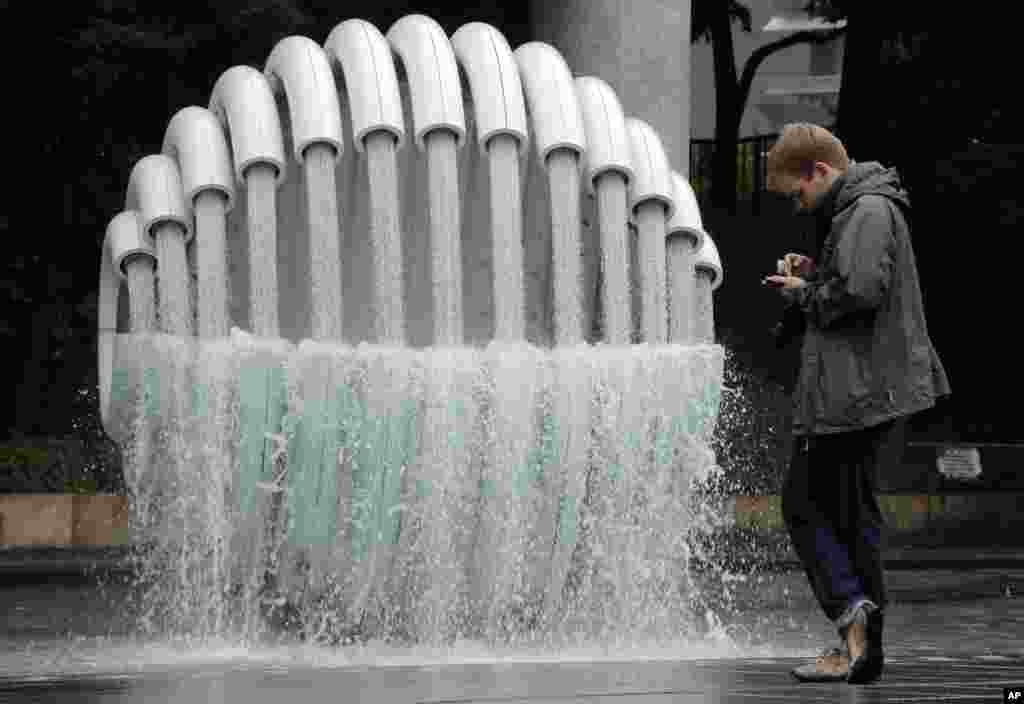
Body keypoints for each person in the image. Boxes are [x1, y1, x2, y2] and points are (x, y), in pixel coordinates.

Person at [761, 123, 951, 684]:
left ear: (818, 172)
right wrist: (817, 277)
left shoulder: (866, 211)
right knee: (847, 513)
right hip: (858, 389)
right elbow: (859, 283)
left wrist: (806, 293)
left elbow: (863, 292)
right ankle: (862, 646)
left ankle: (853, 618)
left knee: (806, 504)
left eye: (797, 193)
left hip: (856, 392)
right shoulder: (860, 212)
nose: (797, 206)